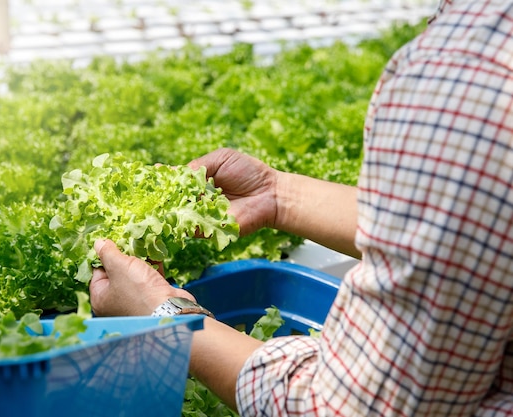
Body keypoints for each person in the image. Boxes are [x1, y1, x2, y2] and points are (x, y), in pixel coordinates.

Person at [89, 0, 513, 415]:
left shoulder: (468, 72)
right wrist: (278, 195)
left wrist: (164, 315)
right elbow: (467, 229)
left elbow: (349, 408)